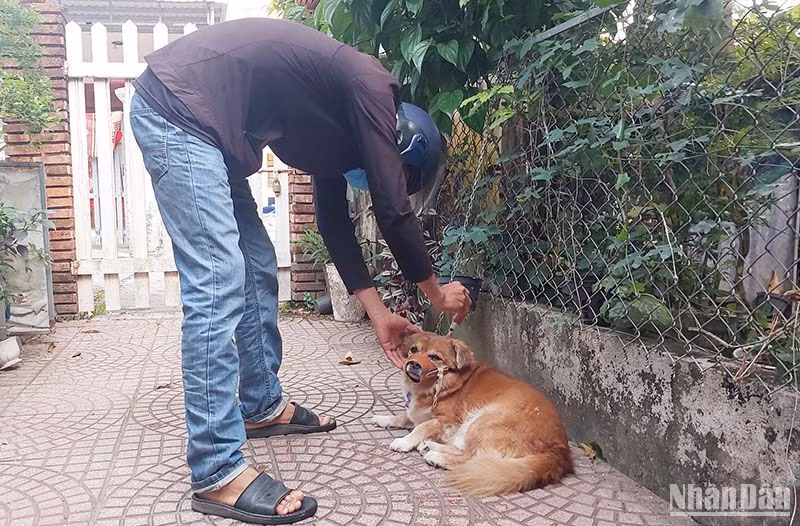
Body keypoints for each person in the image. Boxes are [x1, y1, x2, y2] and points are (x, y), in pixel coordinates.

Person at [129, 16, 472, 526]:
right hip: (178, 112)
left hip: (207, 132)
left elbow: (332, 223)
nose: (390, 181)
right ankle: (216, 470)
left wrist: (378, 314)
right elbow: (392, 209)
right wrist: (437, 293)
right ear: (400, 143)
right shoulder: (370, 85)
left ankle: (260, 407)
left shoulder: (337, 130)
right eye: (402, 175)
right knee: (219, 280)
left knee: (256, 265)